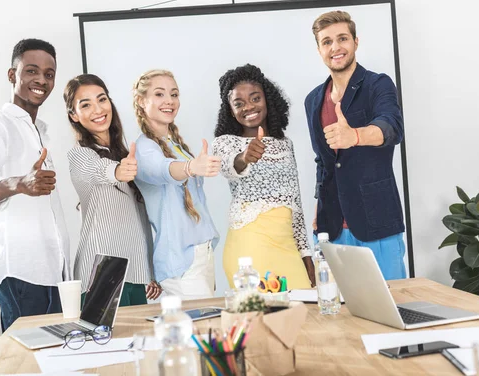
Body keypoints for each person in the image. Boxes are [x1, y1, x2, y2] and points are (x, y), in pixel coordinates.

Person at [0, 38, 70, 331]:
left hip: (54, 274)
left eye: (49, 74)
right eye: (31, 71)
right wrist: (20, 183)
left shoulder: (41, 131)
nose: (41, 79)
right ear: (12, 75)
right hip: (22, 274)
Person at [305, 10, 406, 280]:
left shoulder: (377, 84)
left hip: (377, 221)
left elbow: (392, 127)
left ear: (355, 42)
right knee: (340, 314)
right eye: (327, 42)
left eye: (342, 39)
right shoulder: (313, 100)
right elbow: (323, 160)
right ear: (319, 50)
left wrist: (356, 136)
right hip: (332, 225)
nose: (335, 47)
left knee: (392, 307)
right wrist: (318, 204)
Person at [213, 64, 314, 289]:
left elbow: (295, 203)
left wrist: (306, 255)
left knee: (302, 316)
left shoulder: (285, 145)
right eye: (239, 103)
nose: (248, 107)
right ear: (231, 110)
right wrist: (244, 157)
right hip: (250, 246)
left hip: (287, 244)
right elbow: (229, 167)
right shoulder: (225, 143)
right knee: (262, 318)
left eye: (255, 98)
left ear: (267, 99)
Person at [64, 74, 161, 306]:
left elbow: (139, 221)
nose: (97, 109)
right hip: (100, 274)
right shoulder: (79, 154)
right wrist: (118, 171)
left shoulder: (125, 154)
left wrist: (149, 270)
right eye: (85, 105)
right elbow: (97, 169)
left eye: (102, 99)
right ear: (74, 115)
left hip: (135, 273)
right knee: (106, 342)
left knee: (138, 342)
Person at [132, 69, 220, 300]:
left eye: (174, 94)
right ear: (142, 101)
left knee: (207, 331)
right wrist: (191, 167)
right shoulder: (144, 148)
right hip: (181, 265)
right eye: (159, 94)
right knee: (198, 332)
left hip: (202, 256)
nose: (169, 101)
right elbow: (162, 169)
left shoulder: (176, 145)